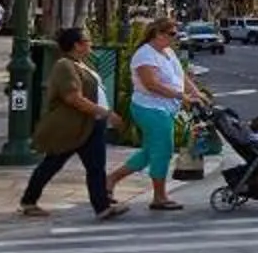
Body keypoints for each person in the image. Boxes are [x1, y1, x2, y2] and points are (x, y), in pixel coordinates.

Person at [20, 25, 126, 221]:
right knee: (52, 163)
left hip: (91, 124)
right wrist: (105, 113)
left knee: (96, 167)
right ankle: (29, 200)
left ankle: (102, 207)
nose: (90, 44)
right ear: (76, 45)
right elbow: (73, 98)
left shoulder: (82, 64)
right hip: (72, 126)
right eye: (87, 41)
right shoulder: (65, 66)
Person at [109, 16, 205, 212]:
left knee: (149, 152)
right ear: (158, 34)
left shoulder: (168, 52)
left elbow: (181, 75)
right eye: (171, 34)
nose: (175, 38)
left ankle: (110, 180)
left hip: (166, 108)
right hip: (150, 108)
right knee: (163, 150)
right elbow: (151, 85)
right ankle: (159, 196)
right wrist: (182, 96)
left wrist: (197, 93)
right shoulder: (145, 55)